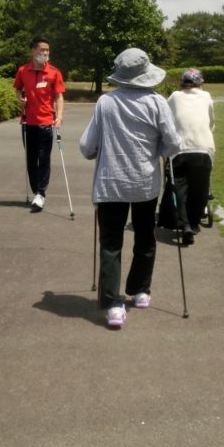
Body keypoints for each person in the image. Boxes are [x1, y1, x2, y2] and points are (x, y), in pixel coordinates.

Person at [80, 48, 181, 329]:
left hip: (111, 184)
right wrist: (155, 151)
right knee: (145, 237)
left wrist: (97, 152)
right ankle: (140, 290)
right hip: (145, 184)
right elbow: (173, 143)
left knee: (111, 244)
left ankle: (113, 304)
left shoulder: (105, 102)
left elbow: (87, 146)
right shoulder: (157, 102)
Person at [159, 68, 215, 245]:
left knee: (180, 189)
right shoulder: (206, 97)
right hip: (203, 148)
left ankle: (185, 226)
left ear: (183, 83)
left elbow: (167, 119)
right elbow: (211, 122)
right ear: (200, 83)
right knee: (200, 189)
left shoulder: (174, 97)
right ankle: (194, 222)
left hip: (180, 149)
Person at [13, 36, 65, 212]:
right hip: (28, 122)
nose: (45, 53)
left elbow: (59, 96)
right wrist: (20, 98)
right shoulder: (23, 71)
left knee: (43, 159)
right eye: (42, 50)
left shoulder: (54, 72)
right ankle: (36, 192)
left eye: (47, 51)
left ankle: (41, 194)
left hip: (45, 122)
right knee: (30, 160)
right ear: (33, 51)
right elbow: (18, 88)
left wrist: (59, 116)